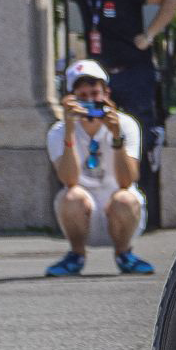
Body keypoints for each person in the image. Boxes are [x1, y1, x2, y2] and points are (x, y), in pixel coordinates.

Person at [29, 0, 176, 209]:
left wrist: (150, 34)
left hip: (135, 73)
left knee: (139, 136)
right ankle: (104, 203)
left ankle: (143, 206)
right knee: (99, 136)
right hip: (101, 78)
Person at [43, 59, 152, 277]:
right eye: (82, 97)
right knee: (70, 196)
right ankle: (76, 254)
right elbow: (68, 180)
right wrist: (70, 133)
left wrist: (115, 136)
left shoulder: (125, 124)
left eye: (95, 94)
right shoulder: (59, 131)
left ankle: (124, 254)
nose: (90, 102)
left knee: (126, 197)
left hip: (120, 215)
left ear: (106, 93)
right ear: (70, 100)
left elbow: (127, 181)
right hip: (82, 216)